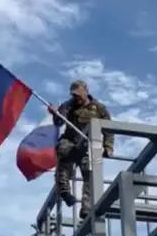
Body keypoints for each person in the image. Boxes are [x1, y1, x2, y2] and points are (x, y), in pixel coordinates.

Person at [48, 80, 114, 220]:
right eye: (73, 95)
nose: (76, 97)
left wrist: (108, 147)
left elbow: (109, 129)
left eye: (78, 94)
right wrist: (55, 113)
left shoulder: (99, 108)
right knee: (62, 150)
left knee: (89, 172)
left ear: (86, 91)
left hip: (87, 145)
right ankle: (65, 191)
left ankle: (86, 206)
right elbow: (59, 122)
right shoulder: (68, 105)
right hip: (71, 141)